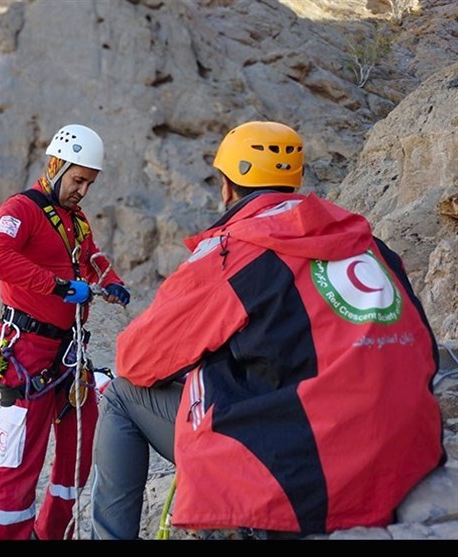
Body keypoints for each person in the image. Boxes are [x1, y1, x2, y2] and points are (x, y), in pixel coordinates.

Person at [89, 121, 445, 539]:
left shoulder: (235, 251)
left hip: (307, 475)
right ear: (293, 182)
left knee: (121, 395)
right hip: (402, 458)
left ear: (227, 187)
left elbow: (136, 360)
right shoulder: (368, 244)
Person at [0, 124, 131, 540]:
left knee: (78, 447)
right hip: (26, 350)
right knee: (17, 460)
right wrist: (59, 286)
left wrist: (111, 280)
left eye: (90, 183)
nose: (83, 190)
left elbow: (91, 255)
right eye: (78, 180)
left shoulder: (75, 220)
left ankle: (52, 531)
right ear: (55, 166)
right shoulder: (21, 210)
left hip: (67, 352)